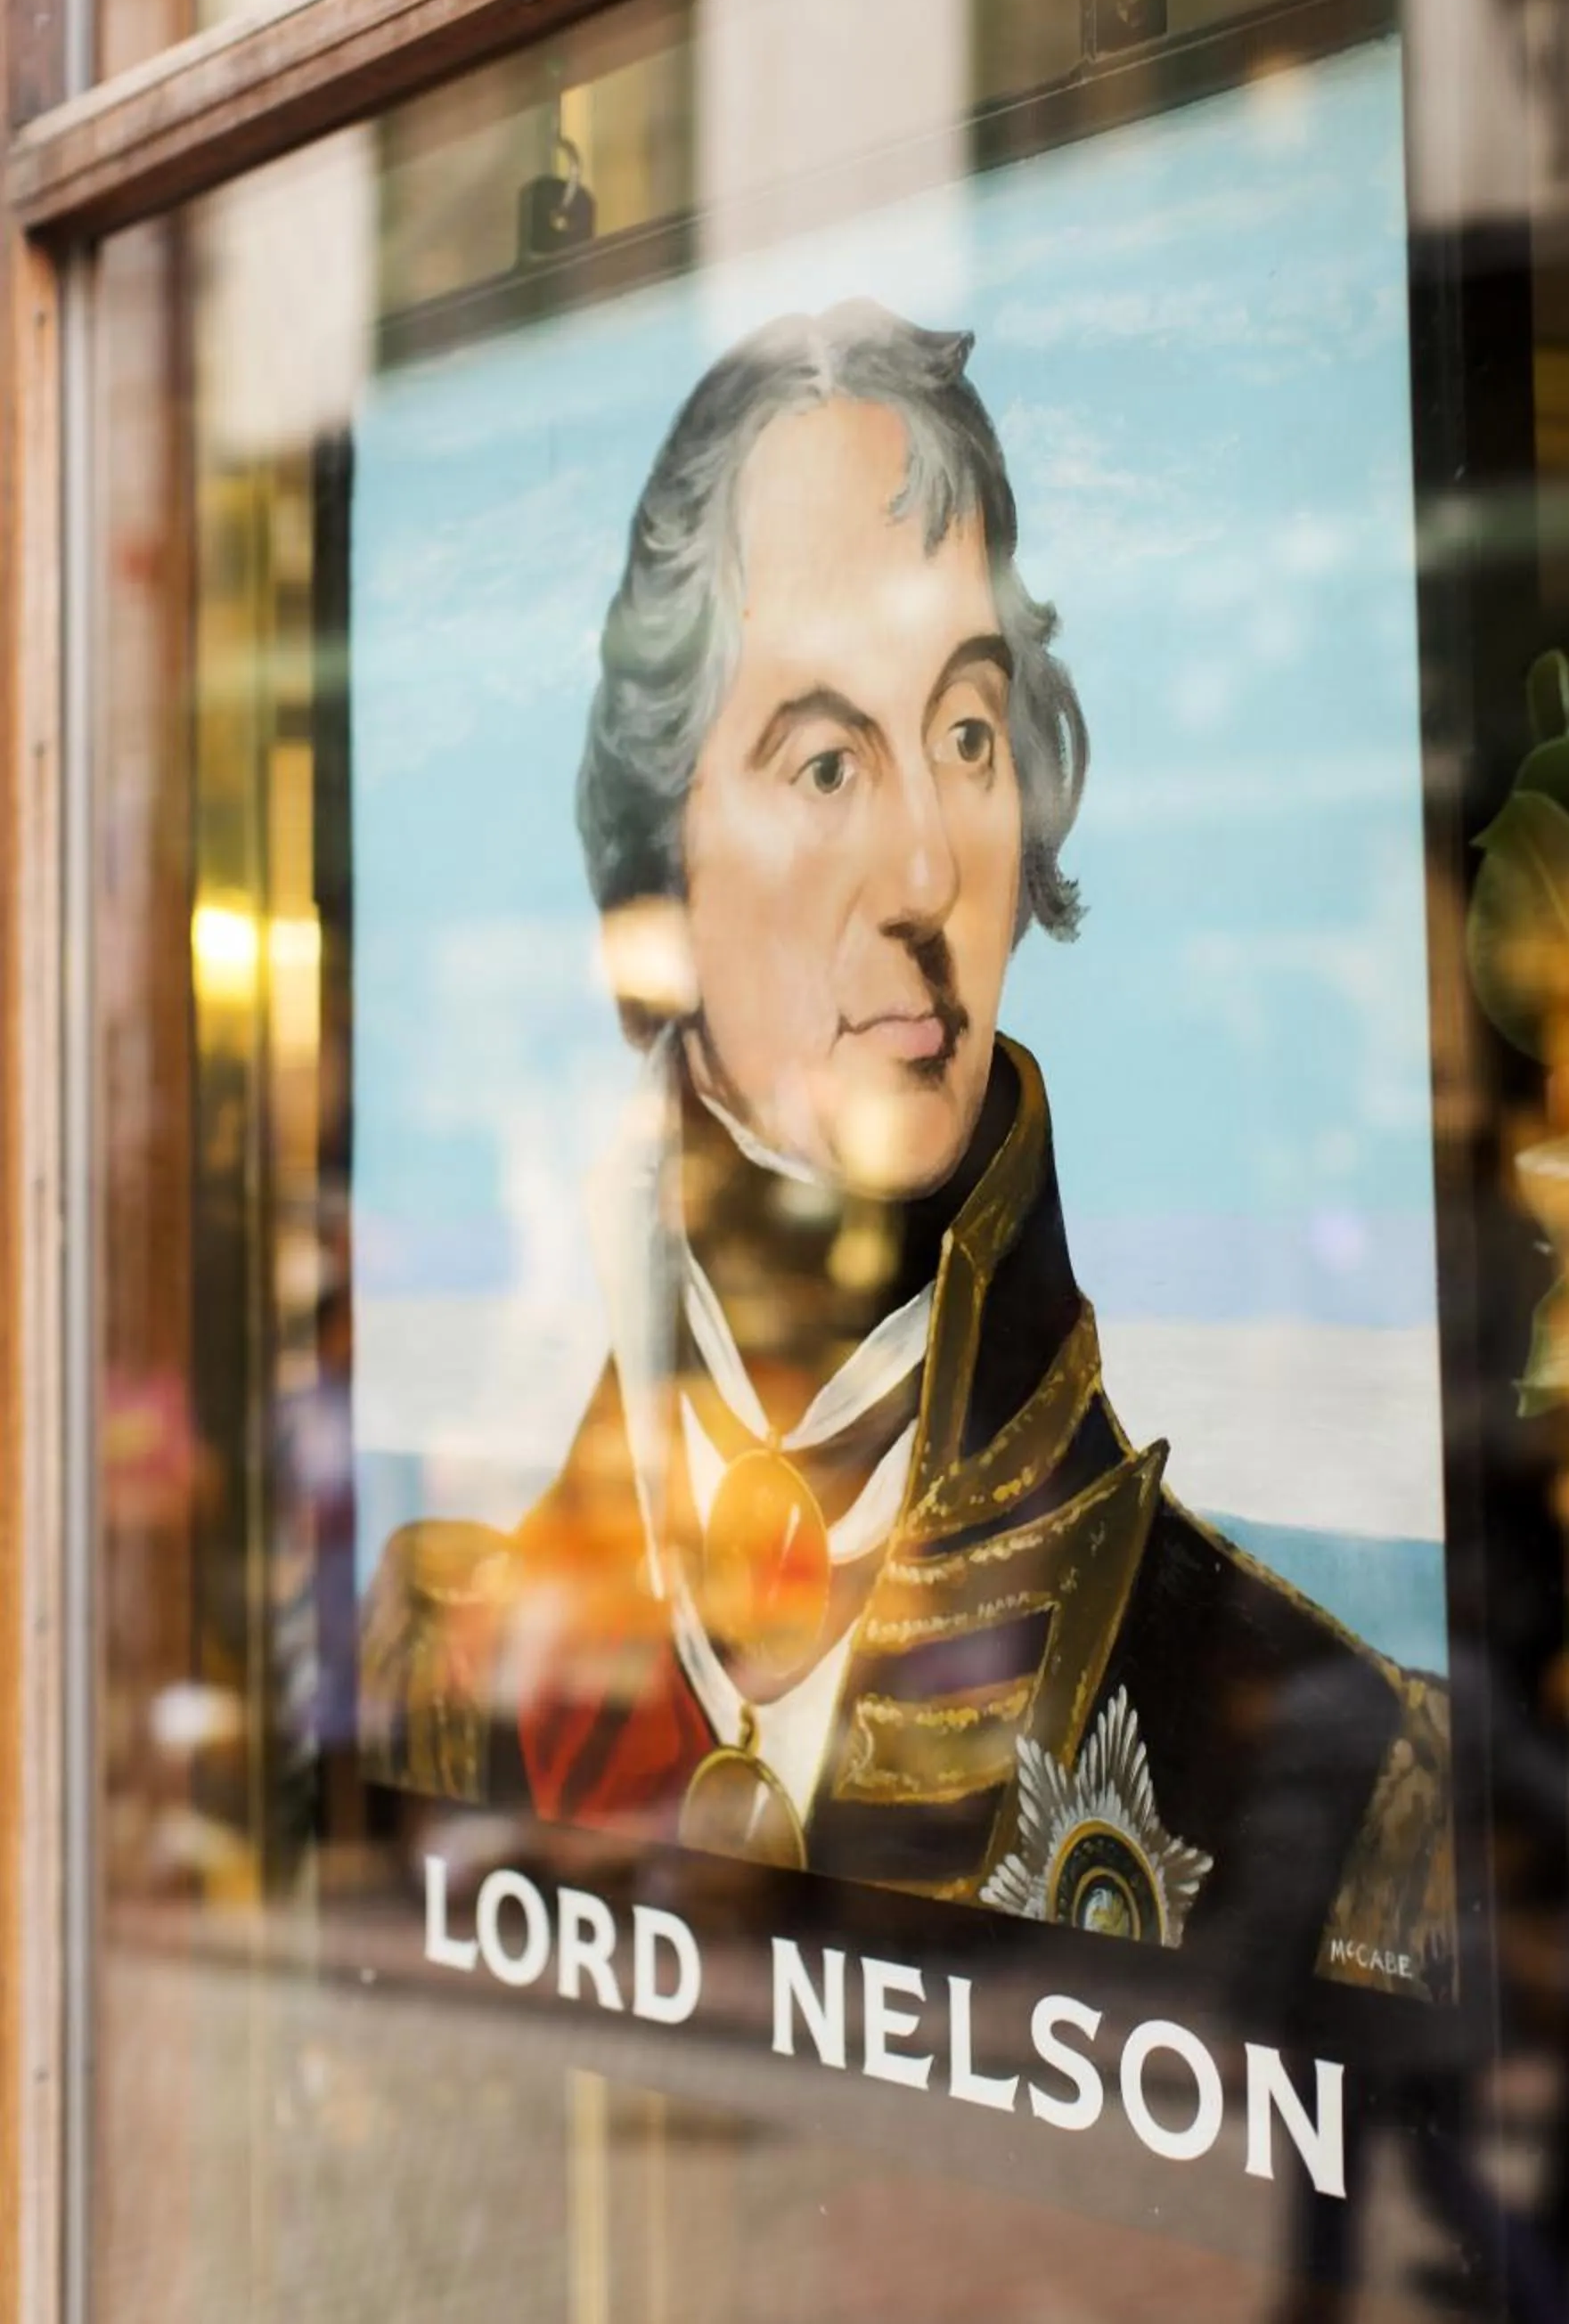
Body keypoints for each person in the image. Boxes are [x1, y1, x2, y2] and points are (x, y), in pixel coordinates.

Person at [362, 302, 1450, 1987]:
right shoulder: (441, 1671)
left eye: (965, 733)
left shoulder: (1359, 1790)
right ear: (666, 848)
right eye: (823, 761)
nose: (929, 871)